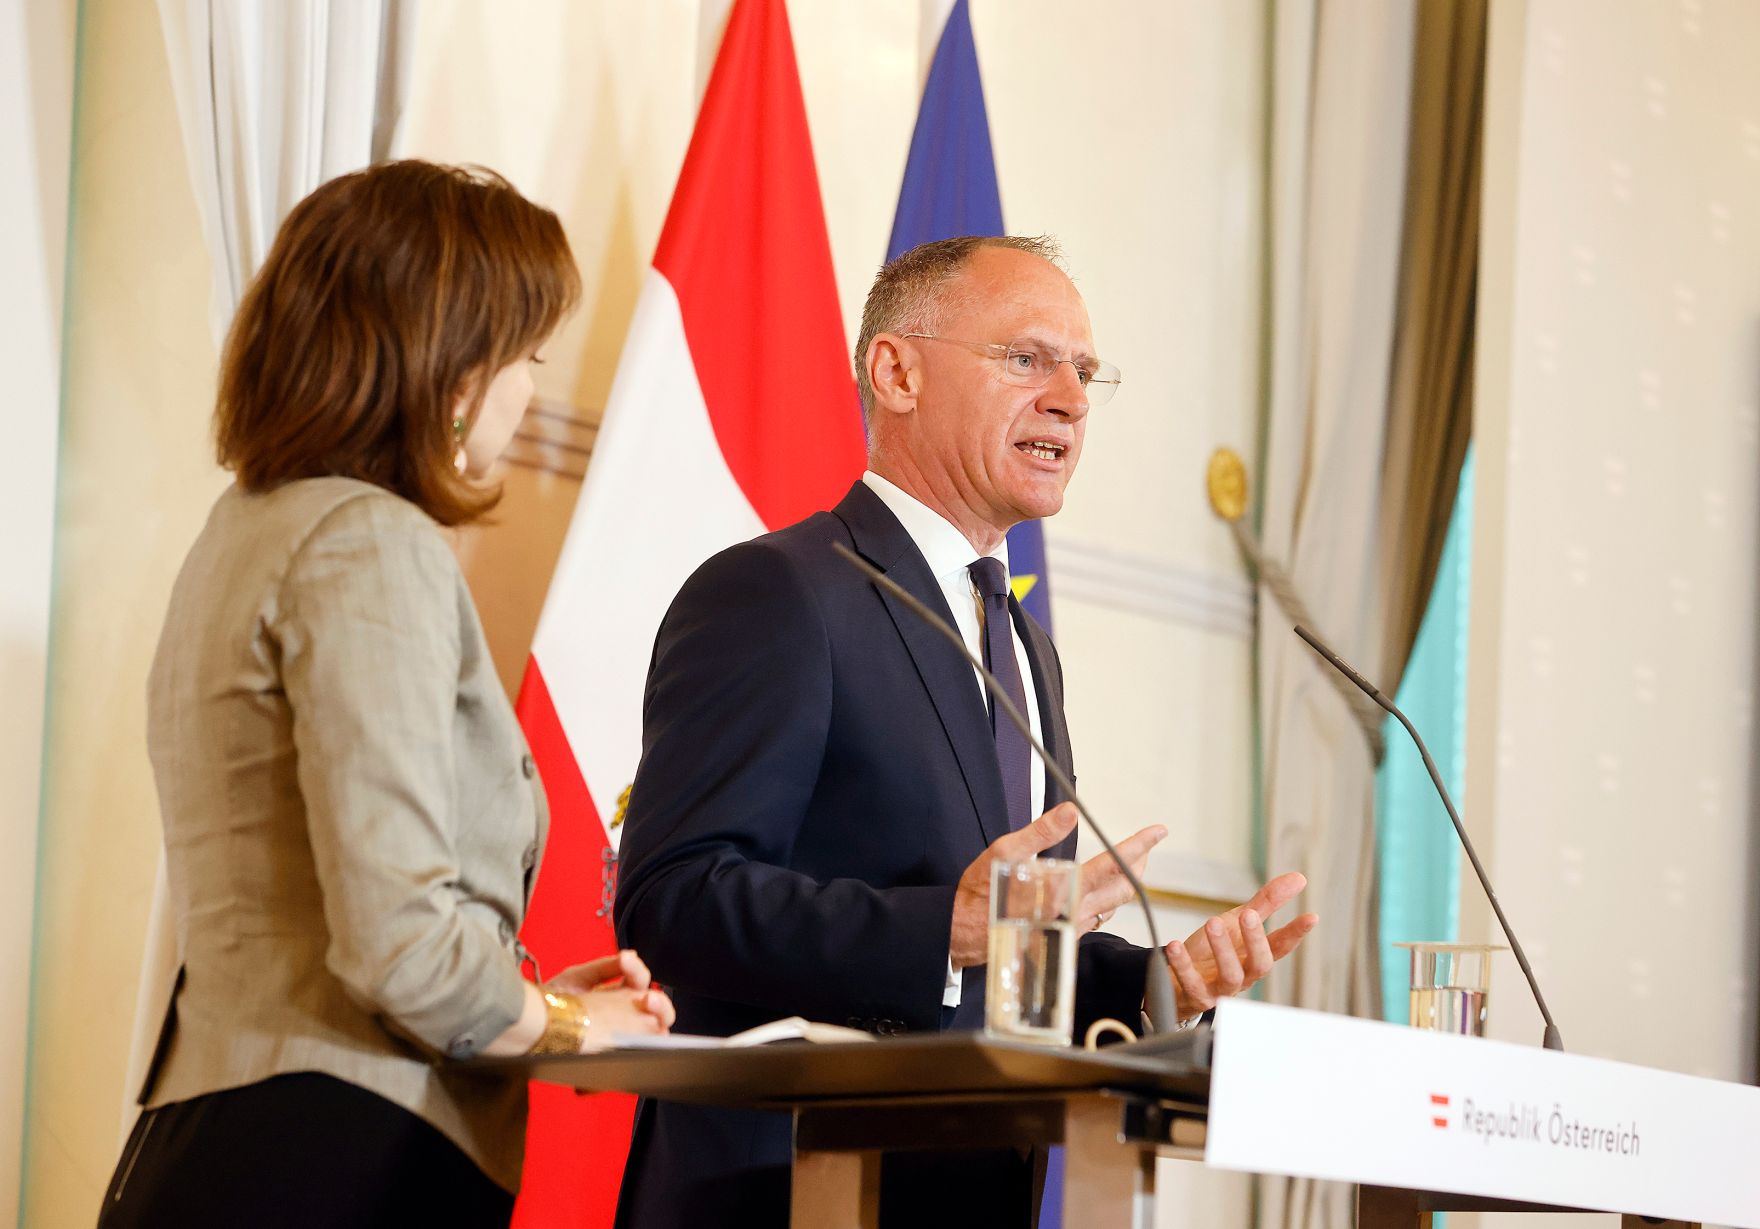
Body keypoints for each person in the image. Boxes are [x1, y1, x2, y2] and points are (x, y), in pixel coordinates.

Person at [611, 234, 1318, 1227]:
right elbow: (671, 899)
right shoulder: (779, 592)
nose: (1069, 397)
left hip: (970, 1189)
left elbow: (1010, 959)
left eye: (1083, 370)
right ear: (895, 371)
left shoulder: (1022, 640)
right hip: (782, 1184)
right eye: (1025, 358)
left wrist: (1156, 981)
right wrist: (942, 924)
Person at [98, 160, 674, 1229]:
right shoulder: (371, 541)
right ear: (453, 363)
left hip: (230, 1131)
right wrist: (566, 1023)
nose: (529, 394)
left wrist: (525, 989)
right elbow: (400, 943)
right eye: (526, 356)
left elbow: (336, 909)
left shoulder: (245, 526)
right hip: (331, 1156)